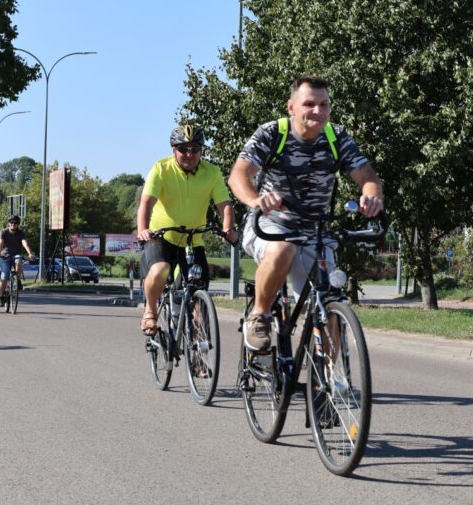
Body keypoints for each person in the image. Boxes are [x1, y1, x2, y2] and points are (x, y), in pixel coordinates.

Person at [228, 75, 384, 351]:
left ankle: (328, 386)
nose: (318, 111)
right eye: (309, 103)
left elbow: (366, 174)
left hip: (315, 231)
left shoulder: (336, 136)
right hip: (269, 223)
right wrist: (256, 199)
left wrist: (371, 195)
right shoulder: (272, 133)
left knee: (328, 303)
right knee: (283, 250)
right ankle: (260, 316)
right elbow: (239, 175)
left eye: (324, 105)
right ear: (291, 107)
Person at [135, 124, 238, 335]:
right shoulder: (161, 169)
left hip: (193, 240)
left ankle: (201, 359)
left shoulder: (212, 172)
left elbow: (225, 205)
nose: (189, 154)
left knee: (199, 292)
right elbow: (146, 203)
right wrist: (143, 229)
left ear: (201, 150)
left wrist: (228, 228)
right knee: (160, 269)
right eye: (183, 149)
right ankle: (150, 312)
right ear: (174, 149)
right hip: (161, 237)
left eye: (195, 149)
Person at [0, 215, 35, 306]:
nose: (13, 224)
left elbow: (24, 243)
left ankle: (17, 280)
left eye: (15, 223)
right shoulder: (3, 232)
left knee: (19, 260)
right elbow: (0, 243)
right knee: (4, 277)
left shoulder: (21, 233)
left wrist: (30, 253)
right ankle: (1, 298)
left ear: (18, 224)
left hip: (16, 255)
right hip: (4, 257)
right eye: (11, 222)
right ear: (8, 223)